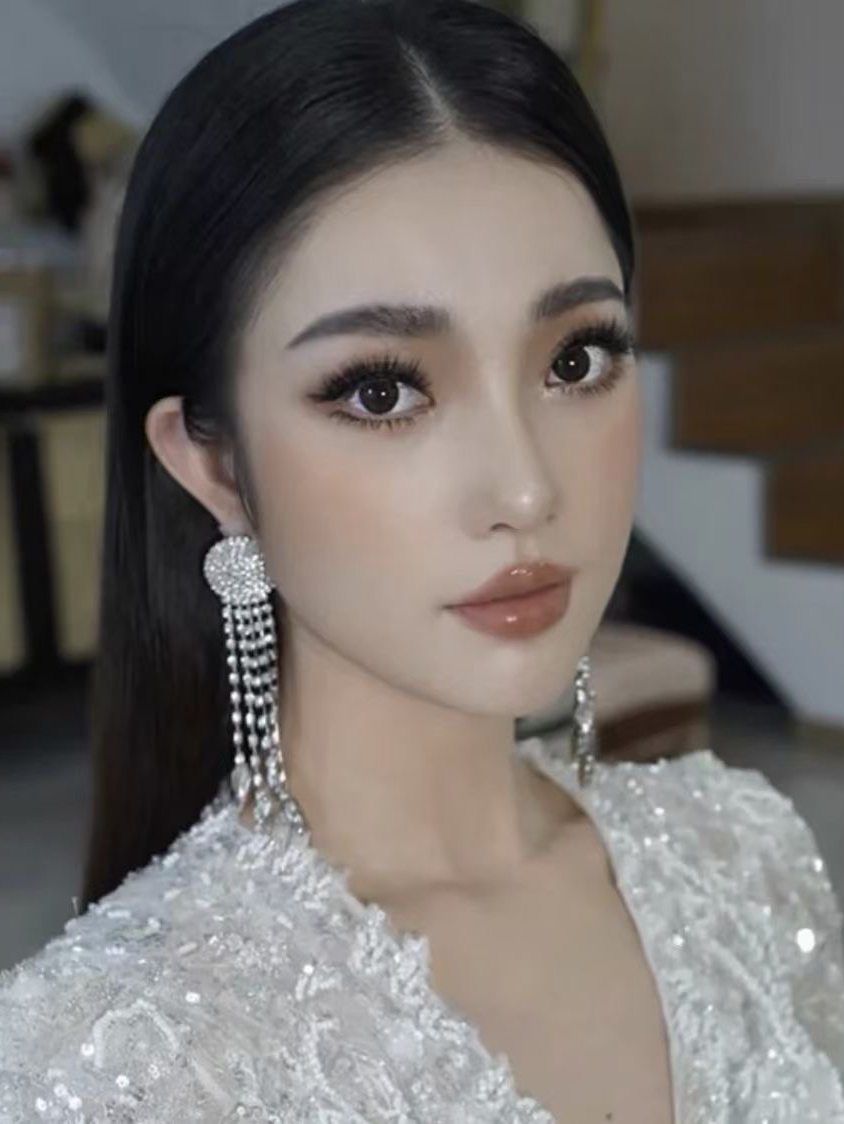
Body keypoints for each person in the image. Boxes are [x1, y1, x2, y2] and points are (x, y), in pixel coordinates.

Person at [1, 0, 843, 1119]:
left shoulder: (745, 857)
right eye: (381, 390)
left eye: (576, 358)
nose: (527, 490)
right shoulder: (116, 1057)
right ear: (214, 464)